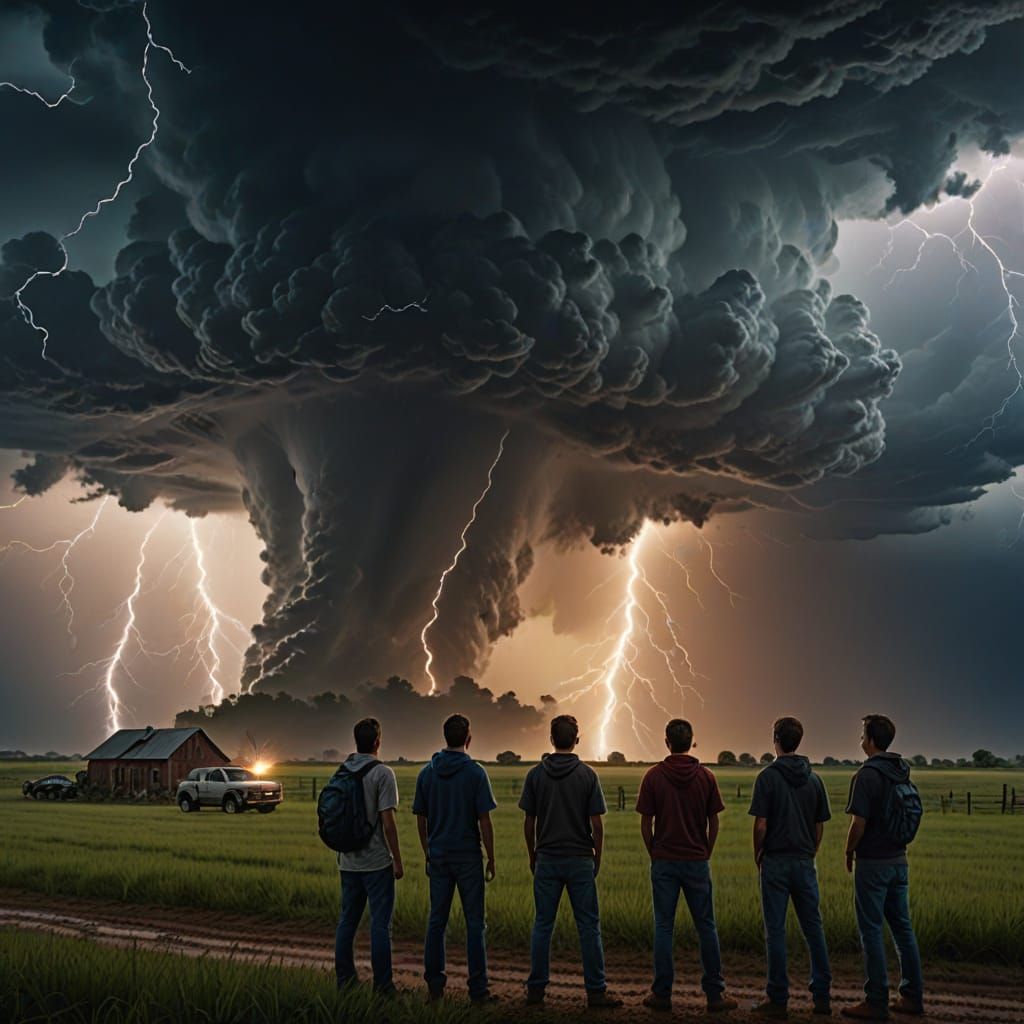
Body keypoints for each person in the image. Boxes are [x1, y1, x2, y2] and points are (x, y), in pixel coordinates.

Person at [519, 715, 622, 1010]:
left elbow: (529, 823)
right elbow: (597, 826)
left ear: (551, 739)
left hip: (547, 859)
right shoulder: (588, 775)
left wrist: (532, 854)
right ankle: (596, 992)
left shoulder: (535, 775)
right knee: (589, 926)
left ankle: (535, 990)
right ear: (577, 739)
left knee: (542, 924)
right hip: (580, 861)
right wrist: (596, 858)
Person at [636, 719, 738, 1013]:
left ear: (666, 742)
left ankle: (662, 994)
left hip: (664, 862)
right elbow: (714, 819)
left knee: (664, 927)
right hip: (696, 861)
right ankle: (715, 995)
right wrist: (707, 849)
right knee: (706, 926)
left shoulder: (653, 776)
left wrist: (653, 851)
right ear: (692, 741)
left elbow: (646, 822)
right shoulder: (706, 776)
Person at [748, 716, 833, 1019]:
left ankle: (778, 997)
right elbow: (819, 824)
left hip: (776, 862)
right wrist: (811, 851)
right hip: (804, 860)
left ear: (776, 739)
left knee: (776, 931)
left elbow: (761, 825)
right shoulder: (815, 779)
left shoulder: (767, 778)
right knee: (814, 928)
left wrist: (759, 853)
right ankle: (822, 996)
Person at [842, 715, 924, 1021]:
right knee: (903, 929)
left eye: (863, 734)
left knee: (872, 931)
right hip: (899, 862)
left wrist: (849, 850)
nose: (861, 739)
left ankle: (875, 1001)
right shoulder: (901, 773)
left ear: (872, 740)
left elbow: (858, 823)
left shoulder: (866, 776)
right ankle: (912, 997)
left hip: (873, 865)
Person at [413, 713, 498, 1004]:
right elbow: (484, 820)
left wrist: (427, 851)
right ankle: (478, 990)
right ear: (468, 739)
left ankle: (435, 987)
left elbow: (420, 819)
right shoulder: (476, 773)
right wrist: (491, 856)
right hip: (468, 857)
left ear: (444, 736)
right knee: (475, 924)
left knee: (437, 921)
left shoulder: (427, 773)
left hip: (438, 857)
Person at [334, 717, 403, 995]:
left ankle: (345, 982)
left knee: (347, 922)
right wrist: (397, 859)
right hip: (376, 863)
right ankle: (383, 987)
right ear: (378, 741)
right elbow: (388, 822)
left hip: (347, 862)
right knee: (380, 926)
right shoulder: (383, 773)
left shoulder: (341, 771)